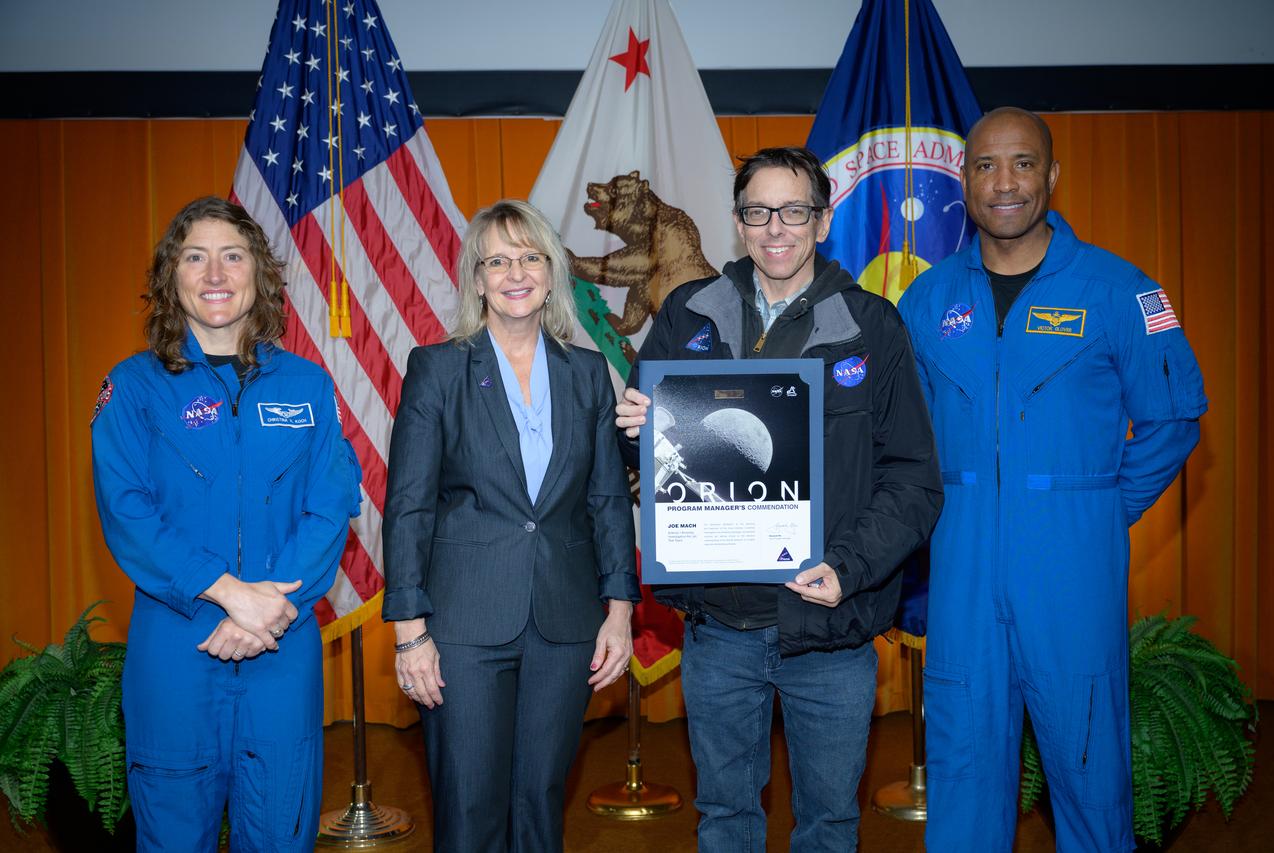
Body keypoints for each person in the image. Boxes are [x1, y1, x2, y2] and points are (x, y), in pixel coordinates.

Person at [897, 107, 1208, 853]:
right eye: (985, 165)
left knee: (1089, 768)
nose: (1004, 183)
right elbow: (903, 441)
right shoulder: (927, 302)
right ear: (965, 180)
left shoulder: (1118, 291)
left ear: (1053, 175)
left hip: (1072, 576)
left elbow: (1173, 421)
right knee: (962, 769)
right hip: (962, 574)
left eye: (1023, 163)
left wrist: (1095, 508)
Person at [615, 146, 943, 852]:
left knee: (828, 824)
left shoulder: (872, 326)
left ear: (821, 221)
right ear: (738, 223)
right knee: (724, 819)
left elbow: (913, 480)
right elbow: (642, 460)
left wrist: (849, 569)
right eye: (758, 211)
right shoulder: (687, 315)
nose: (775, 228)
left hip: (830, 630)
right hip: (718, 628)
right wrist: (632, 431)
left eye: (794, 211)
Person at [91, 196, 363, 851]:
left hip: (282, 644)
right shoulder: (132, 388)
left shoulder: (307, 386)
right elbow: (127, 511)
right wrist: (228, 593)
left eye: (232, 256)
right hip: (177, 647)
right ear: (171, 276)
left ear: (259, 273)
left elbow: (330, 504)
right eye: (195, 257)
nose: (215, 273)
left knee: (280, 831)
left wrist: (266, 610)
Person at [382, 199, 640, 852]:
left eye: (529, 257)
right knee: (469, 806)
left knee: (540, 802)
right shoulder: (437, 369)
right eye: (497, 261)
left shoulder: (588, 372)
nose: (515, 273)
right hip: (461, 626)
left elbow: (608, 499)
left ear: (552, 273)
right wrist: (410, 632)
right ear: (477, 279)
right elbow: (408, 505)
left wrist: (619, 612)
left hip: (566, 622)